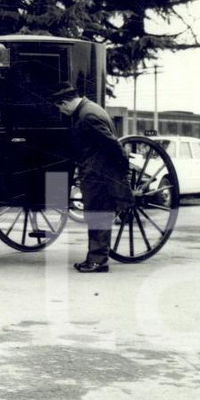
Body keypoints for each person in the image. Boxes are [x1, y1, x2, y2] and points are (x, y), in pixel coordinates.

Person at [52, 82, 132, 273]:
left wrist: (123, 167)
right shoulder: (89, 109)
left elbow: (112, 144)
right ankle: (94, 258)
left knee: (98, 215)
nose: (62, 112)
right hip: (97, 170)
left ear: (65, 103)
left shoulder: (87, 116)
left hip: (100, 173)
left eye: (60, 108)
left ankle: (98, 261)